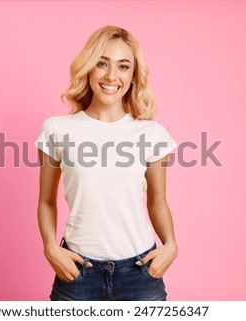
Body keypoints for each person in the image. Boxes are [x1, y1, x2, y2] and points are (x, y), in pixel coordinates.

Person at [34, 26, 178, 301]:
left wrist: (171, 245)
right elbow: (46, 201)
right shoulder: (56, 129)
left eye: (123, 66)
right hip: (77, 274)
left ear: (133, 76)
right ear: (88, 68)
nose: (112, 76)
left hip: (140, 275)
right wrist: (50, 248)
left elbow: (158, 201)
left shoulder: (152, 134)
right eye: (102, 63)